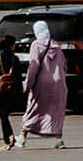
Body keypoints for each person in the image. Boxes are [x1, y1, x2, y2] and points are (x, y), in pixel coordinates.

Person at [12, 20, 69, 151]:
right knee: (56, 111)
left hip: (42, 84)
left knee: (33, 108)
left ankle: (22, 137)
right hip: (59, 84)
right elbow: (64, 65)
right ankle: (59, 139)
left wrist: (28, 83)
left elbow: (34, 66)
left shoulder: (36, 45)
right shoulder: (57, 46)